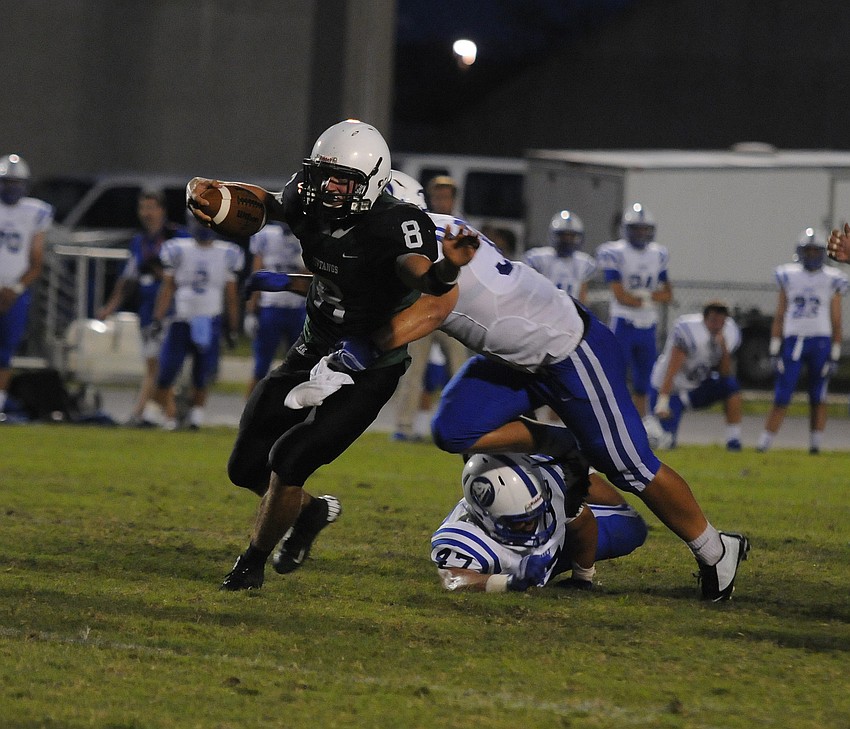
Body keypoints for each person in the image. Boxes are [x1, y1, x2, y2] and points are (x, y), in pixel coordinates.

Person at [317, 179, 749, 602]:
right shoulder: (429, 237)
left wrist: (369, 344)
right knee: (454, 428)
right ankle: (565, 447)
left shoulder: (428, 248)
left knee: (630, 466)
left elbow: (433, 305)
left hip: (570, 349)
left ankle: (715, 550)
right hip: (517, 358)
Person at [186, 120, 479, 590]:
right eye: (323, 177)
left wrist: (448, 266)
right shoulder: (308, 197)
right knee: (244, 466)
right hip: (313, 346)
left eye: (341, 180)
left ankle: (252, 564)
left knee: (290, 457)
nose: (328, 189)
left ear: (374, 180)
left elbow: (423, 277)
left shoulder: (397, 224)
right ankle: (311, 511)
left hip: (368, 367)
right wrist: (222, 197)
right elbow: (269, 206)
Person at [432, 452, 648, 593]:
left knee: (629, 529)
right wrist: (509, 582)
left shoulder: (549, 481)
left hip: (557, 546)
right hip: (513, 566)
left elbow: (583, 520)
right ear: (484, 515)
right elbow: (452, 578)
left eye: (535, 515)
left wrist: (582, 578)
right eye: (519, 523)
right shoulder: (461, 535)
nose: (531, 526)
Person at [386, 171, 470, 442]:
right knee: (413, 370)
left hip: (451, 308)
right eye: (438, 195)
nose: (442, 200)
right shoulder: (417, 223)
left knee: (460, 370)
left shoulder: (460, 227)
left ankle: (463, 426)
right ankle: (404, 426)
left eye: (447, 196)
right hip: (421, 306)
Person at [98, 189, 187, 426]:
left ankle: (143, 413)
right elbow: (128, 278)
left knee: (157, 365)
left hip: (172, 311)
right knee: (153, 364)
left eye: (151, 207)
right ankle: (169, 414)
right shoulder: (139, 242)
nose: (146, 213)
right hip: (147, 309)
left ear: (162, 210)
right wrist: (110, 307)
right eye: (143, 208)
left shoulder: (176, 237)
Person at [756, 229, 847, 454]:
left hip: (821, 340)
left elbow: (836, 318)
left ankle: (816, 445)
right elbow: (780, 313)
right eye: (809, 250)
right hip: (794, 339)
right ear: (800, 252)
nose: (813, 255)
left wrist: (835, 350)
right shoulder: (789, 275)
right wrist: (775, 347)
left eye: (817, 250)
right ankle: (764, 443)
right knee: (782, 394)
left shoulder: (833, 278)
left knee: (819, 395)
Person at [150, 218, 244, 430]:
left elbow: (231, 295)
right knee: (167, 369)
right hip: (182, 318)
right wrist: (158, 317)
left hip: (209, 318)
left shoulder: (227, 253)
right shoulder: (178, 249)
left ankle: (195, 416)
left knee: (202, 373)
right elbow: (168, 288)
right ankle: (168, 415)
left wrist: (233, 326)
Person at [596, 203, 673, 417]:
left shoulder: (658, 254)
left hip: (648, 325)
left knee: (643, 381)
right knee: (614, 376)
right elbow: (621, 297)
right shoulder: (615, 252)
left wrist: (641, 297)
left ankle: (641, 424)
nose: (640, 233)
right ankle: (611, 420)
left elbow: (668, 294)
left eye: (644, 229)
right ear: (626, 230)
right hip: (624, 322)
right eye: (636, 228)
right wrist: (649, 298)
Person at [644, 301, 744, 451]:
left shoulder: (728, 332)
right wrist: (663, 400)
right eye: (713, 320)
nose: (717, 325)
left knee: (730, 385)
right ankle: (648, 428)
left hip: (695, 388)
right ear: (704, 319)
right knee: (665, 442)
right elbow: (672, 368)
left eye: (721, 321)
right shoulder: (690, 330)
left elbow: (724, 373)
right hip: (670, 389)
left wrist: (723, 347)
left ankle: (733, 440)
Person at [0, 154, 52, 418]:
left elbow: (36, 261)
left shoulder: (35, 212)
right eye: (7, 182)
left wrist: (15, 289)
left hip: (15, 290)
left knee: (6, 350)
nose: (11, 187)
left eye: (16, 182)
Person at [243, 222, 309, 396]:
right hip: (271, 307)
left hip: (298, 308)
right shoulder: (265, 235)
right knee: (261, 366)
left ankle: (290, 414)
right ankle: (249, 412)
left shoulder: (309, 233)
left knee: (299, 368)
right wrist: (251, 312)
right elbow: (257, 274)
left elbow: (311, 278)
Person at [524, 210, 597, 303]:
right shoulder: (540, 259)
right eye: (563, 236)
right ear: (554, 236)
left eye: (571, 236)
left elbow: (582, 297)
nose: (567, 240)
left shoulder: (584, 262)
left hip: (571, 312)